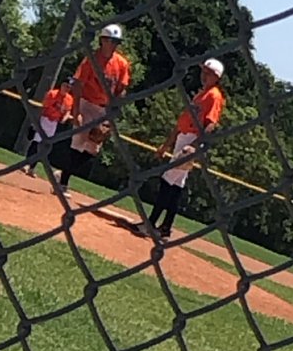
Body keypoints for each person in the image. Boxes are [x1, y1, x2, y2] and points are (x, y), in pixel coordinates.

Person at [138, 57, 226, 241]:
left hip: (191, 140)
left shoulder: (214, 95)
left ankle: (151, 224)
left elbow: (210, 125)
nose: (204, 75)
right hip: (184, 138)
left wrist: (194, 146)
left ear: (216, 77)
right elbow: (182, 122)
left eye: (208, 73)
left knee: (167, 180)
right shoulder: (201, 94)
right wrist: (167, 144)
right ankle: (165, 228)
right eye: (203, 71)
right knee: (176, 186)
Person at [57, 23, 131, 198]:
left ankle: (63, 173)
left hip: (103, 109)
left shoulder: (121, 63)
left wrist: (112, 113)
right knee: (79, 140)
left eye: (116, 42)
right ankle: (63, 184)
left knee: (93, 149)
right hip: (86, 103)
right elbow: (78, 85)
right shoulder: (91, 59)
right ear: (102, 40)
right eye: (111, 41)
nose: (113, 45)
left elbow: (122, 88)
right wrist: (76, 112)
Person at [22, 80, 74, 177]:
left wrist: (65, 118)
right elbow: (44, 107)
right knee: (36, 141)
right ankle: (27, 164)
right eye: (66, 85)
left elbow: (67, 111)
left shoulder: (69, 99)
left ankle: (32, 168)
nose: (67, 88)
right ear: (62, 85)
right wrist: (37, 122)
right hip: (45, 119)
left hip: (54, 123)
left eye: (69, 87)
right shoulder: (52, 94)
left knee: (44, 145)